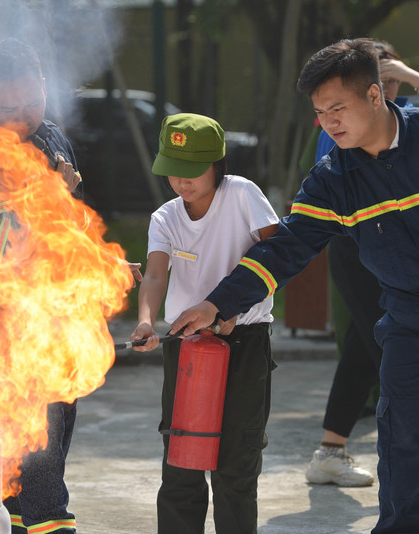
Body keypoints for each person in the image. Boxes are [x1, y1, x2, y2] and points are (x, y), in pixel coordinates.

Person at [170, 39, 419, 533]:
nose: (329, 122)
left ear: (377, 94)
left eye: (338, 107)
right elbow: (286, 248)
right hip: (411, 327)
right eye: (320, 113)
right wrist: (217, 303)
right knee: (403, 456)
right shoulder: (333, 179)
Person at [306, 39, 419, 496]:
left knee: (362, 347)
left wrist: (412, 76)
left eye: (388, 81)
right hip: (358, 245)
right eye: (377, 81)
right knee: (397, 349)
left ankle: (329, 453)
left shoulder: (403, 115)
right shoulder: (341, 120)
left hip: (395, 247)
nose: (383, 90)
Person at [0, 38, 82, 534]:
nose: (24, 115)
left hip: (62, 308)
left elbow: (70, 222)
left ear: (45, 87)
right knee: (34, 431)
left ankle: (16, 521)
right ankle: (50, 522)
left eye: (32, 101)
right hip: (10, 317)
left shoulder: (53, 138)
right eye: (9, 107)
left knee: (60, 423)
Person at [129, 113, 279, 534]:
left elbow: (279, 254)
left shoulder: (243, 195)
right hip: (186, 346)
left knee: (235, 467)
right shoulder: (165, 217)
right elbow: (157, 275)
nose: (182, 181)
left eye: (192, 171)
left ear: (217, 163)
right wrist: (145, 322)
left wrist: (232, 307)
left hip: (244, 343)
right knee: (181, 465)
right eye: (173, 171)